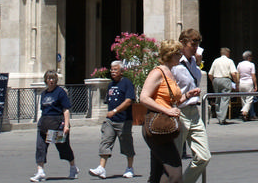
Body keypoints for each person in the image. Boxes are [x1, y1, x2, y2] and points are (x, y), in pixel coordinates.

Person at [140, 40, 184, 183]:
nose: (181, 56)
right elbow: (144, 98)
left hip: (165, 126)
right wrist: (167, 110)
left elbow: (170, 100)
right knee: (175, 173)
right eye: (178, 53)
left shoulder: (169, 72)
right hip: (157, 126)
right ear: (170, 54)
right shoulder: (157, 72)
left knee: (158, 174)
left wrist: (187, 96)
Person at [170, 28, 211, 182]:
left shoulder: (194, 61)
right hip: (179, 112)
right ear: (182, 43)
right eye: (192, 44)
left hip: (194, 112)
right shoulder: (174, 64)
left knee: (204, 156)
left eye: (197, 44)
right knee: (174, 159)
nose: (195, 48)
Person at [89, 61, 136, 178]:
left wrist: (115, 111)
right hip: (110, 120)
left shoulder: (127, 83)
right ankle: (101, 168)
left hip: (124, 120)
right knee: (105, 141)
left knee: (127, 145)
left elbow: (129, 101)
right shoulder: (110, 85)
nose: (113, 72)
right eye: (111, 69)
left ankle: (130, 168)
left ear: (121, 71)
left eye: (115, 70)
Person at [31, 68, 79, 181]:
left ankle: (73, 167)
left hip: (57, 125)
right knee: (40, 147)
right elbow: (43, 110)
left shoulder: (60, 92)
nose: (51, 80)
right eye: (49, 78)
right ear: (46, 80)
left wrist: (66, 125)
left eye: (53, 78)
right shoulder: (44, 94)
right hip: (44, 125)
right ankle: (40, 171)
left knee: (63, 148)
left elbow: (66, 109)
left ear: (56, 80)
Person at [208, 46, 238, 124]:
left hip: (216, 79)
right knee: (225, 99)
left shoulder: (216, 61)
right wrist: (237, 83)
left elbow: (210, 74)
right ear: (227, 53)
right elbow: (233, 73)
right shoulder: (229, 61)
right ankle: (222, 118)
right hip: (225, 79)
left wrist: (213, 81)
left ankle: (219, 115)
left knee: (217, 99)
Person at [237, 50, 257, 120]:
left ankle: (245, 115)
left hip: (241, 83)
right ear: (249, 57)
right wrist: (255, 85)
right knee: (249, 99)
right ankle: (244, 111)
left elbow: (238, 74)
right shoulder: (251, 64)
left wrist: (237, 83)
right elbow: (253, 75)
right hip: (249, 82)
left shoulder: (239, 64)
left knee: (243, 99)